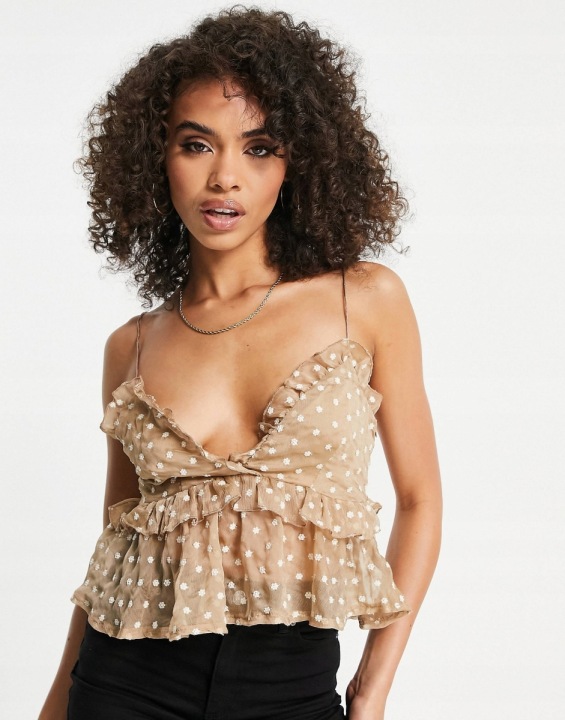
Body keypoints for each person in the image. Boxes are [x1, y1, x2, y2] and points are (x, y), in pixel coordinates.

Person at [39, 6, 442, 719]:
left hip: (289, 686)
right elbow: (116, 545)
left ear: (297, 163)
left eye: (258, 148)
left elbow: (419, 502)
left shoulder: (362, 300)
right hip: (123, 683)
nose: (224, 177)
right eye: (197, 145)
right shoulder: (131, 346)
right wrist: (54, 705)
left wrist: (371, 689)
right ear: (156, 158)